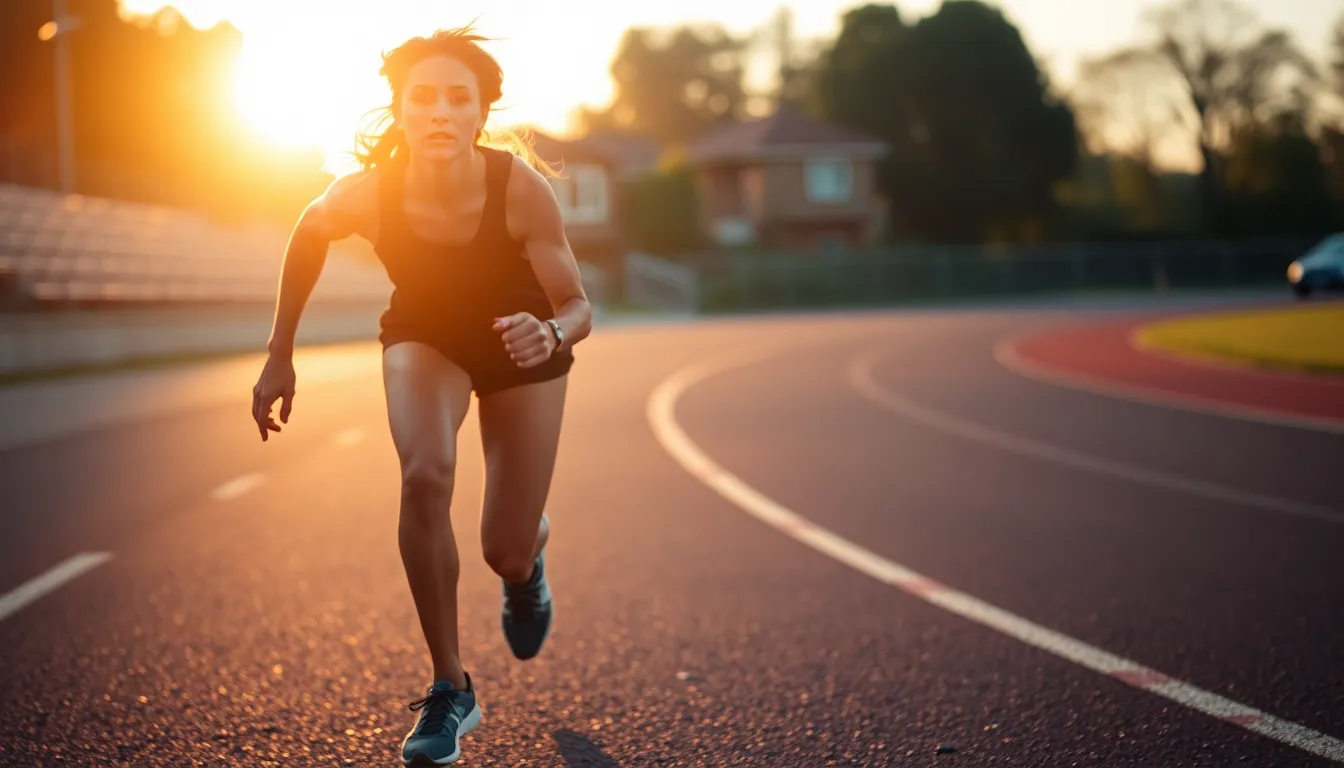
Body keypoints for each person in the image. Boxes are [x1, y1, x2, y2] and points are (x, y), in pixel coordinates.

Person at [249, 26, 592, 766]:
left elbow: (577, 304)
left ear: (479, 115)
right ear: (401, 111)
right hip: (424, 338)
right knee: (424, 473)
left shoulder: (519, 189)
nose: (439, 112)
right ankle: (451, 686)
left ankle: (529, 562)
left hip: (518, 341)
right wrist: (280, 354)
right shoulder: (367, 195)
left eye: (456, 99)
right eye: (423, 98)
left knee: (501, 548)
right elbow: (307, 235)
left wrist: (553, 334)